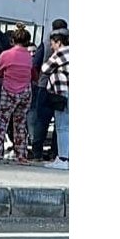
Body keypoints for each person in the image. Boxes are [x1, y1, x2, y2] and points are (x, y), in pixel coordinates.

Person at [0, 25, 35, 164]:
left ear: (12, 40)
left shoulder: (7, 54)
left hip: (9, 90)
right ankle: (22, 154)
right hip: (26, 91)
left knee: (1, 122)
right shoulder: (29, 56)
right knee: (20, 124)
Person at [31, 18, 68, 161]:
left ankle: (37, 153)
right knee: (62, 124)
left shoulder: (47, 44)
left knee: (42, 120)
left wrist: (36, 80)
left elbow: (38, 65)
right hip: (65, 90)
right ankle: (56, 153)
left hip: (46, 87)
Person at [41, 29, 70, 170]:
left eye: (53, 43)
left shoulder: (61, 52)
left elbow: (45, 68)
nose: (51, 47)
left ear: (59, 42)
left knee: (62, 127)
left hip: (62, 92)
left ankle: (63, 158)